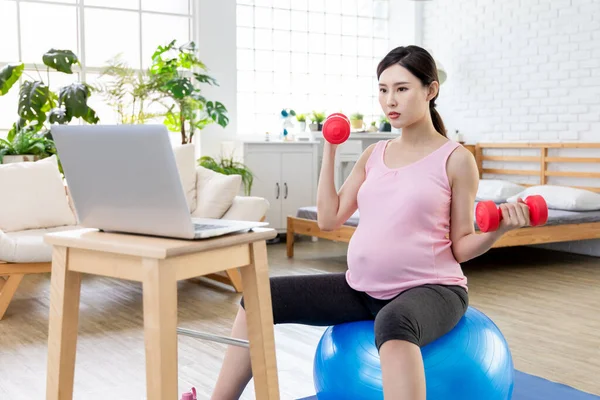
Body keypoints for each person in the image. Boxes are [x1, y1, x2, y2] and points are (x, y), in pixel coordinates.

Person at [211, 45, 531, 400]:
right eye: (383, 89)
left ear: (431, 90)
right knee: (261, 296)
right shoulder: (374, 154)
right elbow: (330, 219)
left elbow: (460, 247)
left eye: (401, 88)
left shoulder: (455, 160)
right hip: (364, 288)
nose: (390, 100)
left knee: (393, 324)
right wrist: (329, 150)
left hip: (433, 289)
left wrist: (498, 229)